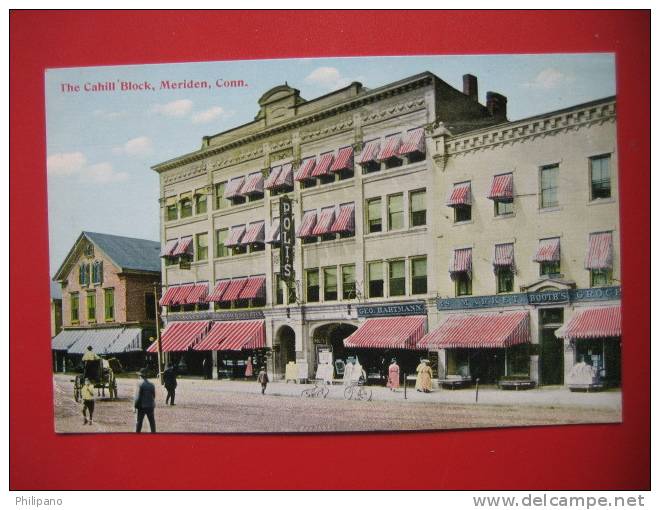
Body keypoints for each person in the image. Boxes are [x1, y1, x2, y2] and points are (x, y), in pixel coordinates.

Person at [134, 368, 156, 433]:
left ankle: (137, 435)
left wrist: (135, 406)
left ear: (140, 376)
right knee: (152, 422)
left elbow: (138, 397)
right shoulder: (151, 385)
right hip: (150, 406)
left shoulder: (140, 384)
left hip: (142, 406)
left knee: (139, 422)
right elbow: (153, 395)